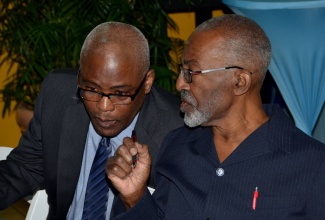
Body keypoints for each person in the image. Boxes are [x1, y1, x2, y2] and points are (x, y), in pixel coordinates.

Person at [106, 14, 325, 219]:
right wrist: (134, 197)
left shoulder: (312, 164)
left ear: (239, 82)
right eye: (181, 71)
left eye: (191, 72)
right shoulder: (177, 145)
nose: (180, 84)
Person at [0, 22, 183, 219]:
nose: (103, 107)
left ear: (147, 82)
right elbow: (25, 169)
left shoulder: (177, 132)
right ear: (80, 77)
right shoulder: (58, 94)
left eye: (120, 93)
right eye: (92, 89)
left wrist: (136, 198)